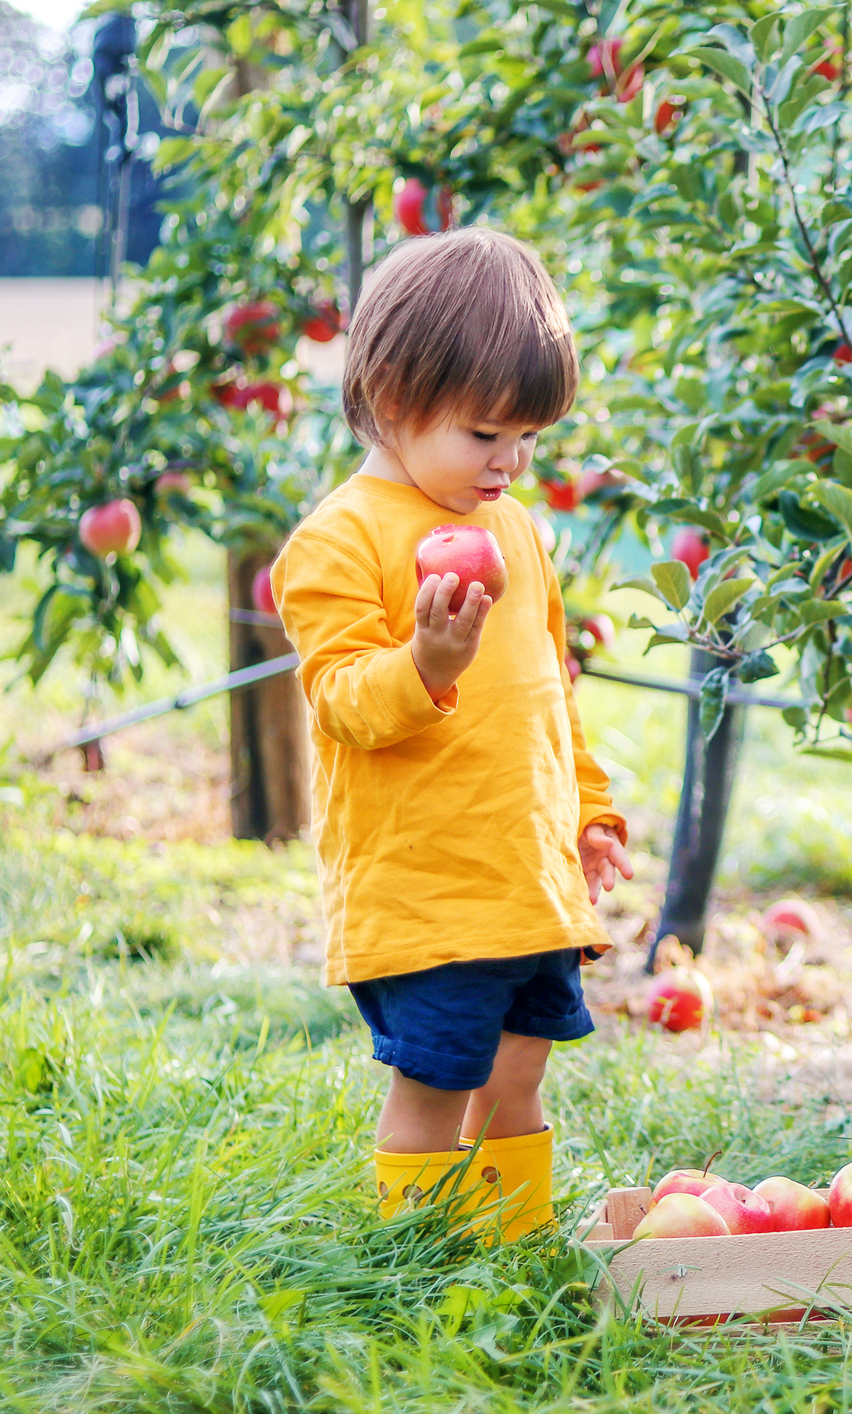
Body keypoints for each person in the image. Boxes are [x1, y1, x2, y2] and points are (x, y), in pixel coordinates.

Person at [270, 226, 633, 1242]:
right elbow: (342, 700)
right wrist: (425, 665)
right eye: (486, 434)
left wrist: (590, 808)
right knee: (436, 1084)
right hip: (425, 892)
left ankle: (511, 1248)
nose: (511, 462)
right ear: (393, 397)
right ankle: (416, 1261)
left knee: (520, 1072)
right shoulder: (338, 542)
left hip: (526, 878)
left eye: (529, 437)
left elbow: (547, 692)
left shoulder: (514, 527)